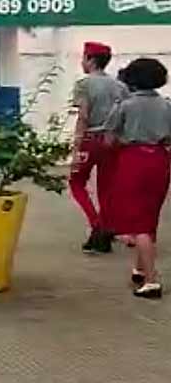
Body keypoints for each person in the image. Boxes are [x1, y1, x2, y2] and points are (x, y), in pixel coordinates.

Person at [105, 57, 171, 299]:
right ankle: (140, 268)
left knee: (137, 221)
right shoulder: (167, 105)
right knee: (150, 214)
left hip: (133, 160)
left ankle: (152, 280)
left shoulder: (125, 105)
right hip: (160, 161)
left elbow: (109, 140)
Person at [70, 41, 129, 254]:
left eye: (84, 57)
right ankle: (105, 228)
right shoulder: (121, 87)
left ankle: (97, 226)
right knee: (107, 188)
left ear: (91, 60)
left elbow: (83, 116)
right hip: (113, 142)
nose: (81, 62)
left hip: (90, 139)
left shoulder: (84, 84)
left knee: (76, 182)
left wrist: (77, 147)